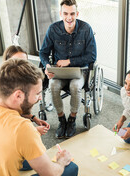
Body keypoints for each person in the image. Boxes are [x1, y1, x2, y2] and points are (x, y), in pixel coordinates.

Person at [39, 0, 97, 139]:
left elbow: (92, 55)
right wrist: (47, 65)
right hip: (59, 73)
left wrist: (69, 61)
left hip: (78, 72)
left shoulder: (86, 29)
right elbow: (43, 52)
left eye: (72, 13)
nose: (69, 17)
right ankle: (62, 120)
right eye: (65, 13)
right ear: (61, 14)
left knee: (75, 86)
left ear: (77, 13)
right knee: (53, 86)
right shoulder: (53, 29)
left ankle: (72, 119)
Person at [0, 45, 50, 136]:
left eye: (25, 62)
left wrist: (33, 118)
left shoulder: (14, 82)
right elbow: (8, 126)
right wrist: (33, 132)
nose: (22, 66)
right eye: (17, 62)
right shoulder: (0, 88)